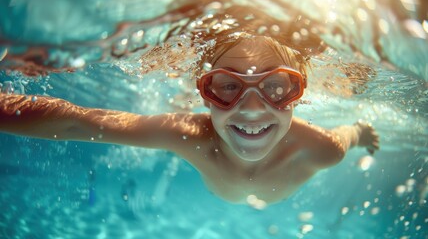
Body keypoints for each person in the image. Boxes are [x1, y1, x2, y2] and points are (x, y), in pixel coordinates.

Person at [0, 34, 379, 205]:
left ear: (302, 92)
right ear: (203, 93)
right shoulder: (187, 134)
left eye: (277, 87)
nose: (250, 108)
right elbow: (78, 122)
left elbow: (342, 135)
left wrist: (359, 132)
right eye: (226, 87)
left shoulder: (322, 148)